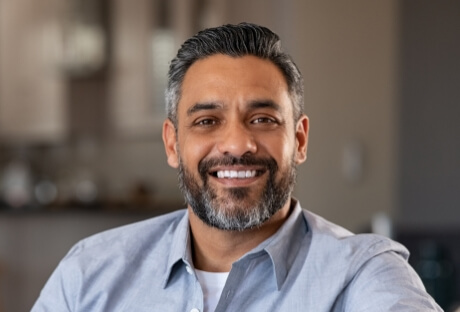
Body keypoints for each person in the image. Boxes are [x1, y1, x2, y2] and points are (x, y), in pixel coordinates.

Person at [31, 23, 442, 312]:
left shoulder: (363, 274)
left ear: (299, 139)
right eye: (207, 121)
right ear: (173, 143)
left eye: (262, 119)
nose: (237, 145)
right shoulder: (89, 272)